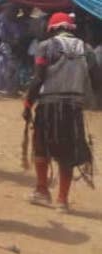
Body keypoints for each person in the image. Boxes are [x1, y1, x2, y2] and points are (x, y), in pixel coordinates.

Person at [25, 12, 98, 212]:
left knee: (41, 147)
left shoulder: (46, 47)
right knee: (67, 152)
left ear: (53, 28)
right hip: (73, 107)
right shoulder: (87, 49)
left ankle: (42, 190)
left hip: (48, 105)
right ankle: (62, 200)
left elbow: (38, 78)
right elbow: (97, 79)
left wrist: (27, 104)